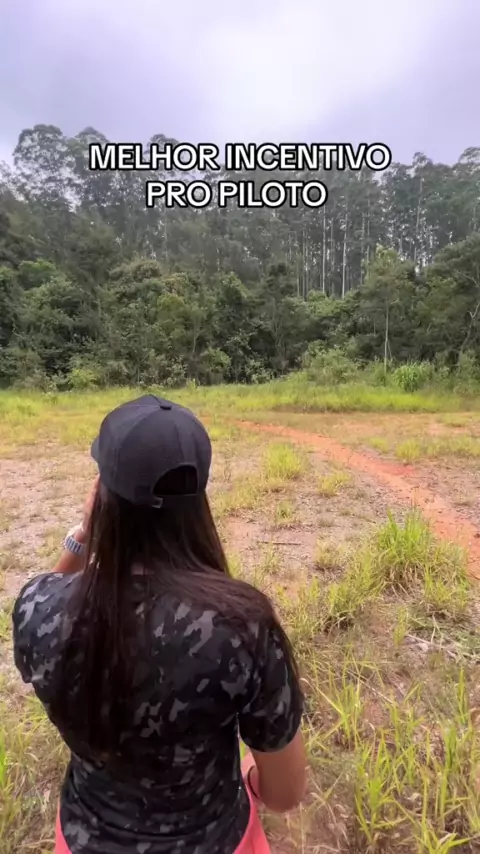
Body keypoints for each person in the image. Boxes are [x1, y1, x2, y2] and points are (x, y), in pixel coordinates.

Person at [12, 394, 306, 854]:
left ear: (101, 494)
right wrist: (250, 776)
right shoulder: (242, 627)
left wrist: (82, 535)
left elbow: (53, 589)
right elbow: (284, 794)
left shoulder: (38, 608)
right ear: (198, 502)